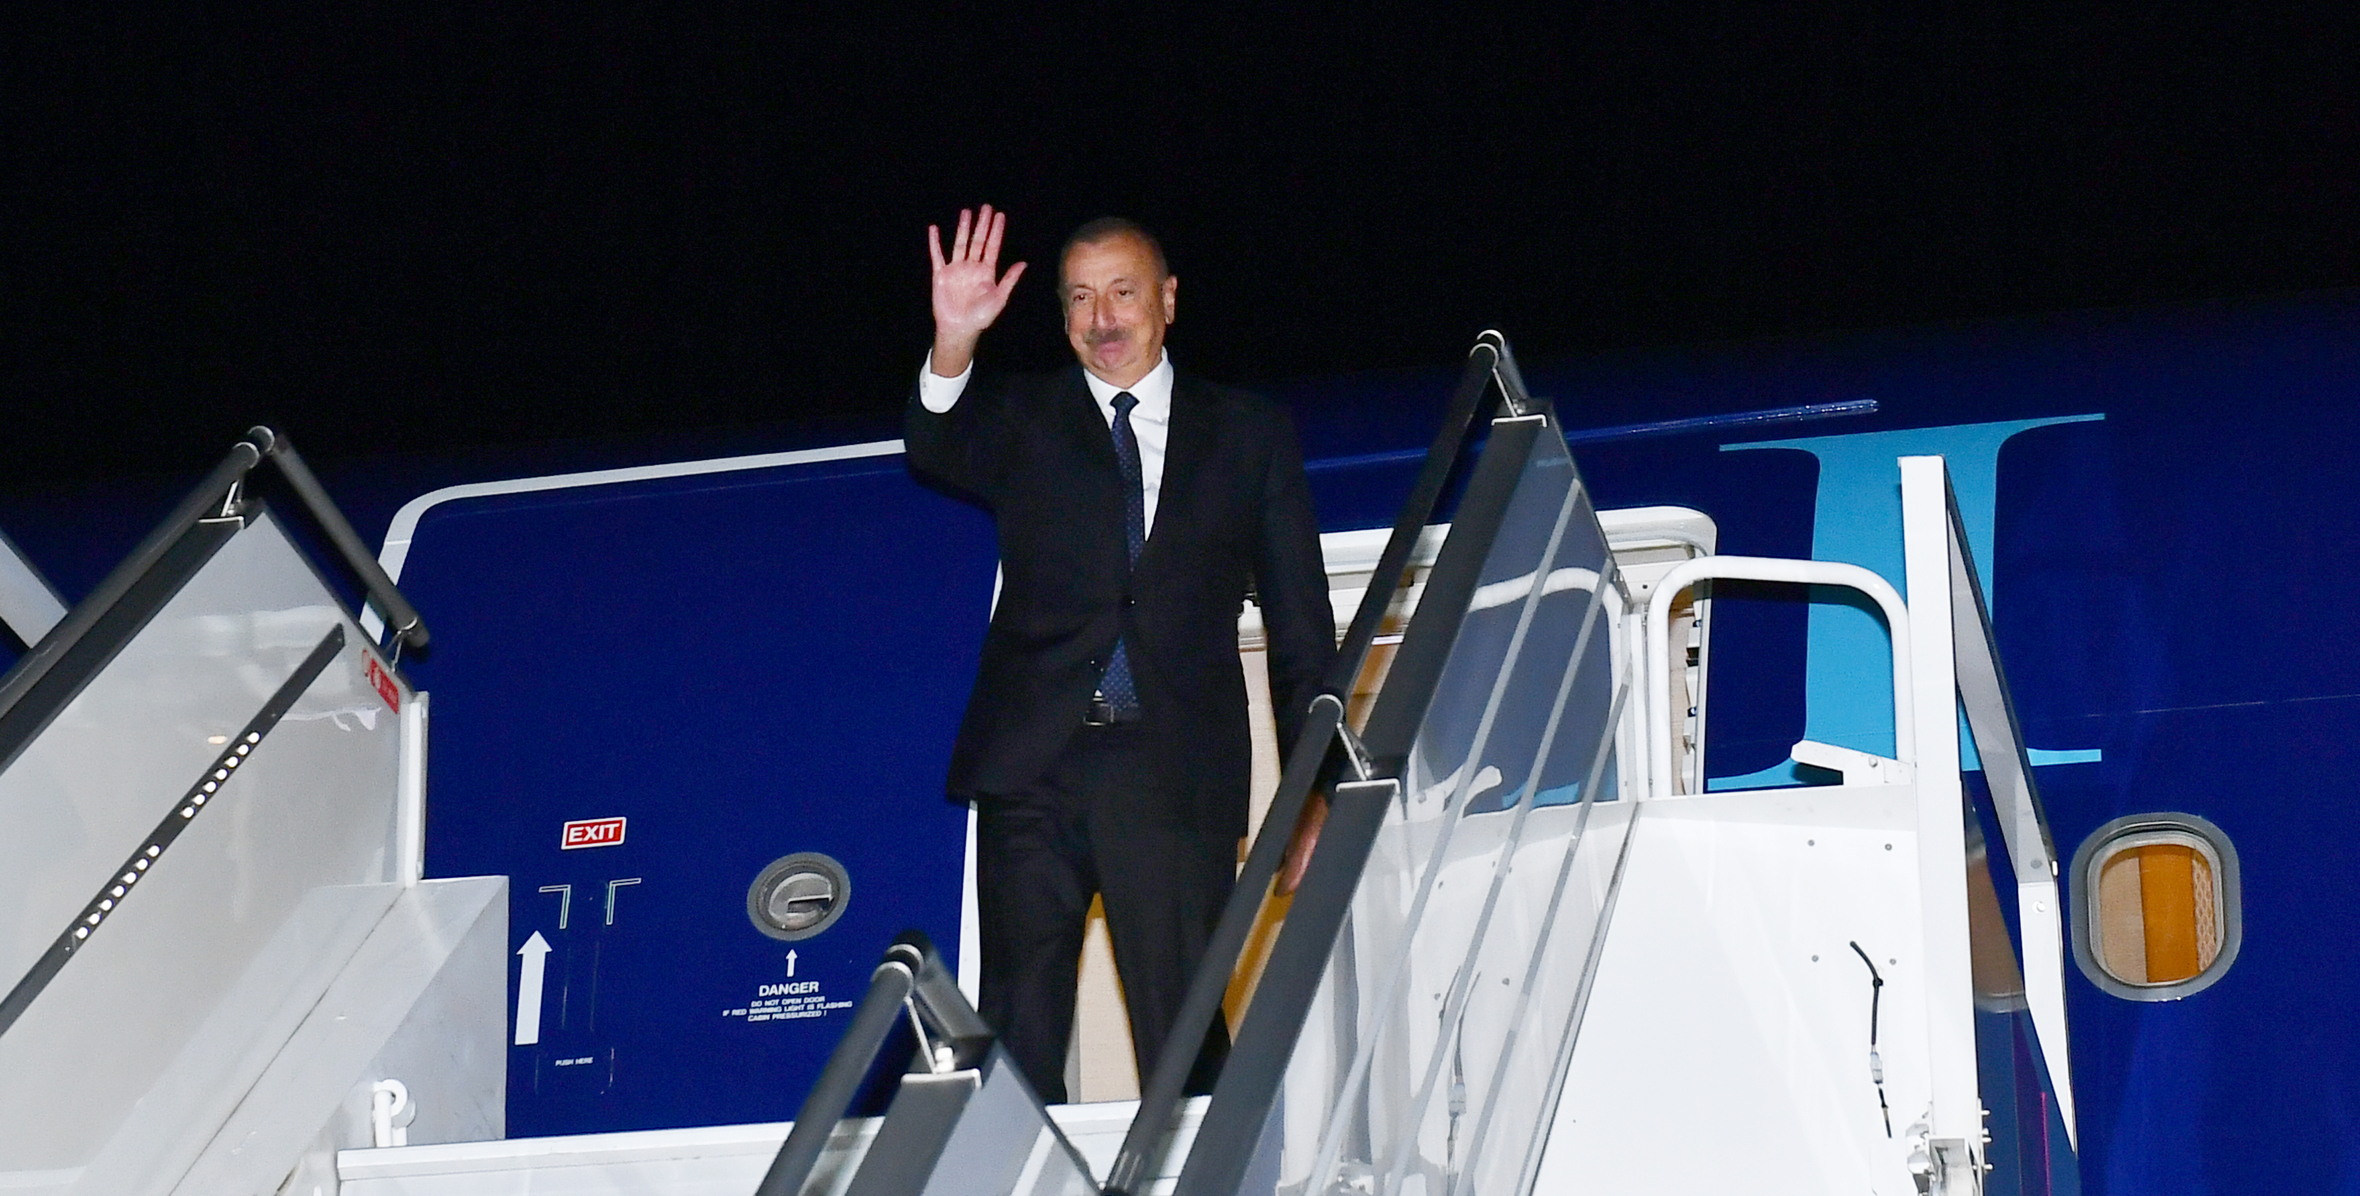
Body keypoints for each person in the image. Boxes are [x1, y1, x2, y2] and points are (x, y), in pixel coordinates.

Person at [905, 206, 1333, 1102]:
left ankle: (1199, 1166)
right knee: (1015, 1036)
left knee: (1184, 1030)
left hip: (1173, 771)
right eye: (1080, 298)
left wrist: (1312, 787)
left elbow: (1300, 627)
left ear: (1168, 300)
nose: (1102, 318)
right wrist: (954, 340)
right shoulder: (1024, 418)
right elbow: (936, 440)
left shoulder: (1248, 433)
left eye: (1124, 293)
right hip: (1034, 768)